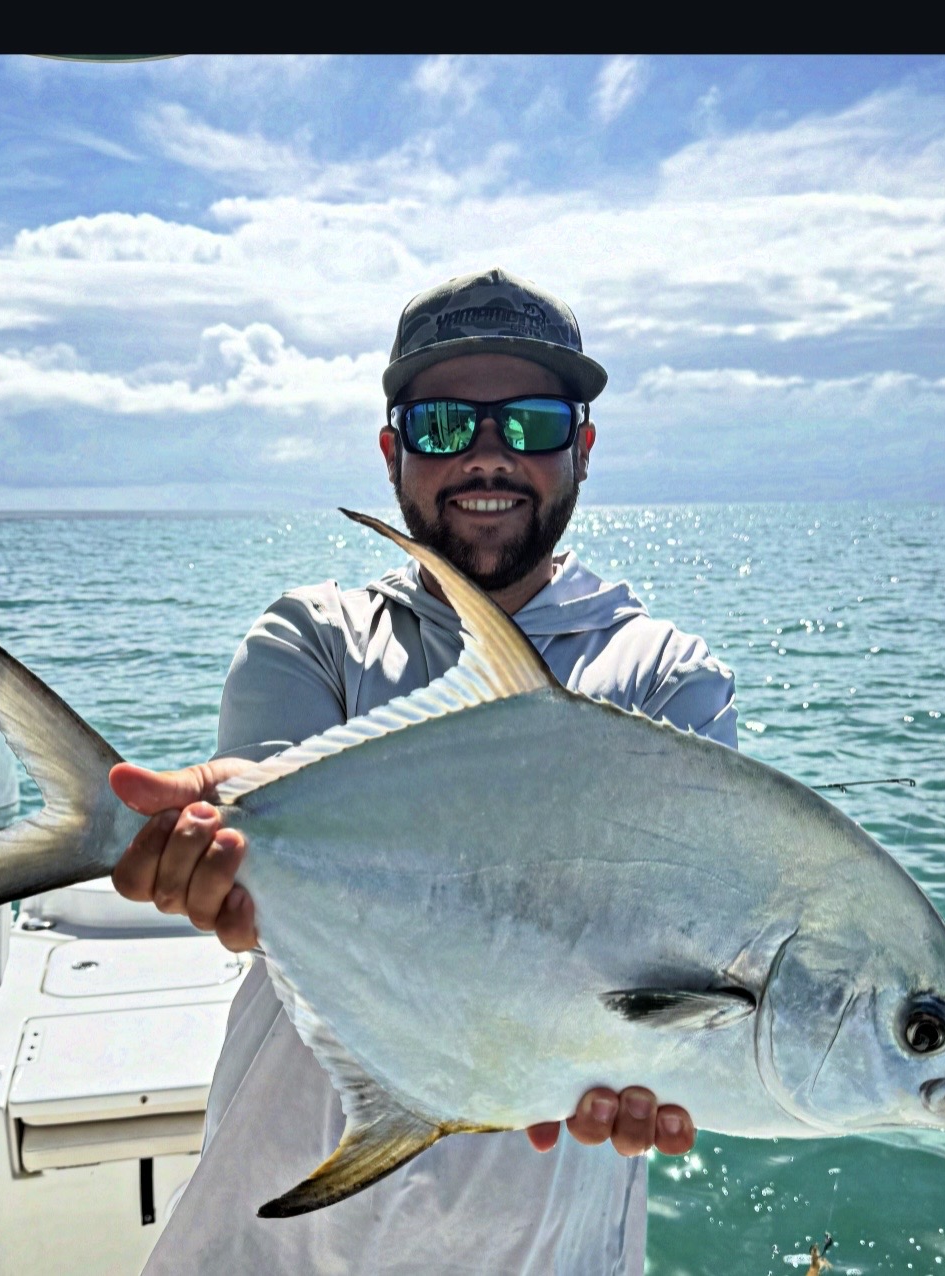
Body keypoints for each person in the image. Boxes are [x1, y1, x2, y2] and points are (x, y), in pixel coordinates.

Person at [110, 267, 738, 1273]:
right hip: (273, 1241)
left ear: (582, 446)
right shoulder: (314, 637)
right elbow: (267, 818)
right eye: (446, 424)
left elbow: (686, 951)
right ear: (393, 449)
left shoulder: (666, 680)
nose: (489, 455)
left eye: (531, 423)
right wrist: (228, 847)